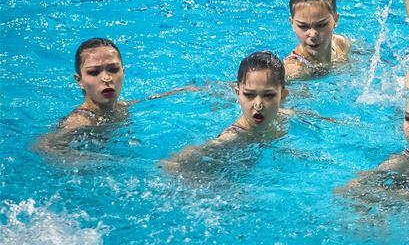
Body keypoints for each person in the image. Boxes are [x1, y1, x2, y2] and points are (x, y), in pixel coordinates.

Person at [37, 38, 198, 156]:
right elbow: (43, 146)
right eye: (94, 72)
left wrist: (182, 90)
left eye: (113, 70)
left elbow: (146, 100)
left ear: (123, 72)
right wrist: (91, 162)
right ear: (80, 81)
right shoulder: (81, 121)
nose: (106, 78)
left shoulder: (120, 107)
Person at [163, 51, 291, 175]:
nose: (258, 105)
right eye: (249, 95)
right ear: (238, 93)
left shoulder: (282, 116)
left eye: (268, 95)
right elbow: (173, 164)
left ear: (282, 96)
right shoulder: (233, 137)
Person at [284, 0, 350, 79]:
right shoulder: (294, 71)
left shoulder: (341, 44)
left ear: (335, 20)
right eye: (303, 26)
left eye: (321, 25)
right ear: (292, 24)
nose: (313, 35)